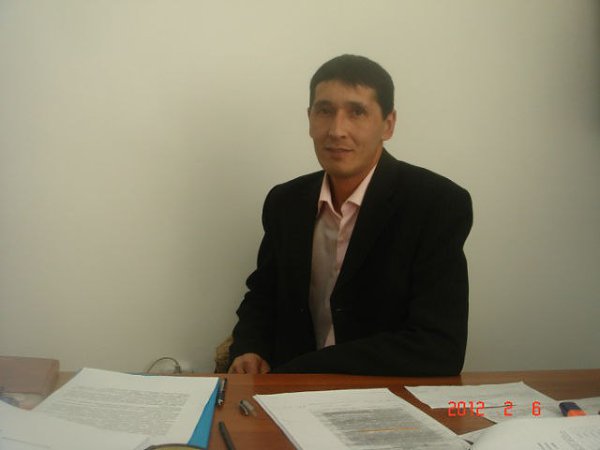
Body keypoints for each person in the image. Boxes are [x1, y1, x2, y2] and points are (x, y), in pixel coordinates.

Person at [227, 54, 473, 376]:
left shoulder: (436, 203)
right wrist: (250, 347)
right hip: (285, 393)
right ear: (309, 118)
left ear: (388, 124)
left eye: (357, 112)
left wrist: (305, 370)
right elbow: (264, 295)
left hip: (383, 394)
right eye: (324, 111)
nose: (336, 130)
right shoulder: (285, 202)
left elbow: (440, 346)